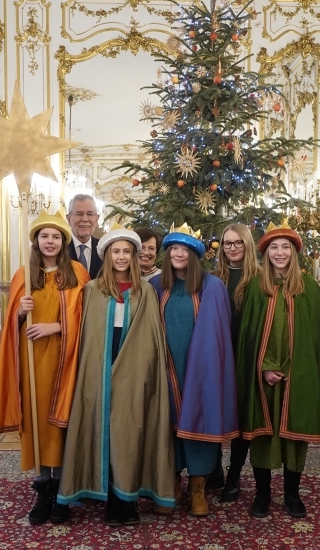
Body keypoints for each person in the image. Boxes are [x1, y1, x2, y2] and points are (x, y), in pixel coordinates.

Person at [57, 224, 176, 526]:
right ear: (107, 255)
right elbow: (84, 335)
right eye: (116, 252)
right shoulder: (92, 291)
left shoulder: (145, 291)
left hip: (134, 370)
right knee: (101, 426)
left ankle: (127, 498)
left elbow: (151, 337)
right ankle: (108, 496)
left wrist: (143, 371)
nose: (121, 257)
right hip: (98, 366)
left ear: (135, 256)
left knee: (130, 430)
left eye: (126, 252)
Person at [0, 210, 89, 525]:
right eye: (44, 236)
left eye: (56, 236)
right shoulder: (24, 276)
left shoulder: (77, 273)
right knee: (37, 422)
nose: (50, 241)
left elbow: (86, 319)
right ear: (36, 241)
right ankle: (44, 489)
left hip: (65, 361)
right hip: (32, 364)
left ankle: (63, 492)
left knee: (61, 424)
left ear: (64, 241)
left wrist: (55, 327)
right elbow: (10, 328)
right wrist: (19, 312)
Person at [236, 220, 320, 519]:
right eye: (274, 248)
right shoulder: (256, 287)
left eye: (286, 248)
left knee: (295, 434)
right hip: (263, 376)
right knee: (263, 435)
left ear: (294, 253)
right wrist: (265, 366)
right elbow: (250, 336)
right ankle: (263, 494)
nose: (279, 253)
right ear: (265, 254)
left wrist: (298, 369)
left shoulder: (310, 288)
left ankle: (292, 494)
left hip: (298, 375)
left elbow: (313, 340)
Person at [150, 223, 238, 517]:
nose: (178, 254)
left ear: (194, 255)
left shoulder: (212, 286)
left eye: (184, 250)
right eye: (173, 248)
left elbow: (220, 334)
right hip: (165, 367)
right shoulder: (154, 287)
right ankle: (171, 483)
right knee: (169, 426)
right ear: (167, 254)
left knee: (200, 421)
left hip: (202, 370)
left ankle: (198, 487)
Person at [209, 223, 261, 502]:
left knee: (242, 417)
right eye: (227, 243)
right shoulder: (214, 277)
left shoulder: (259, 279)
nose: (232, 247)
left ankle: (234, 474)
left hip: (247, 356)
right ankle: (214, 469)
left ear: (247, 245)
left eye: (237, 242)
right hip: (219, 355)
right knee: (216, 412)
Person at [66, 193, 103, 278]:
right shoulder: (59, 249)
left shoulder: (104, 249)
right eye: (79, 214)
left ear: (97, 219)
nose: (85, 219)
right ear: (69, 219)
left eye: (90, 214)